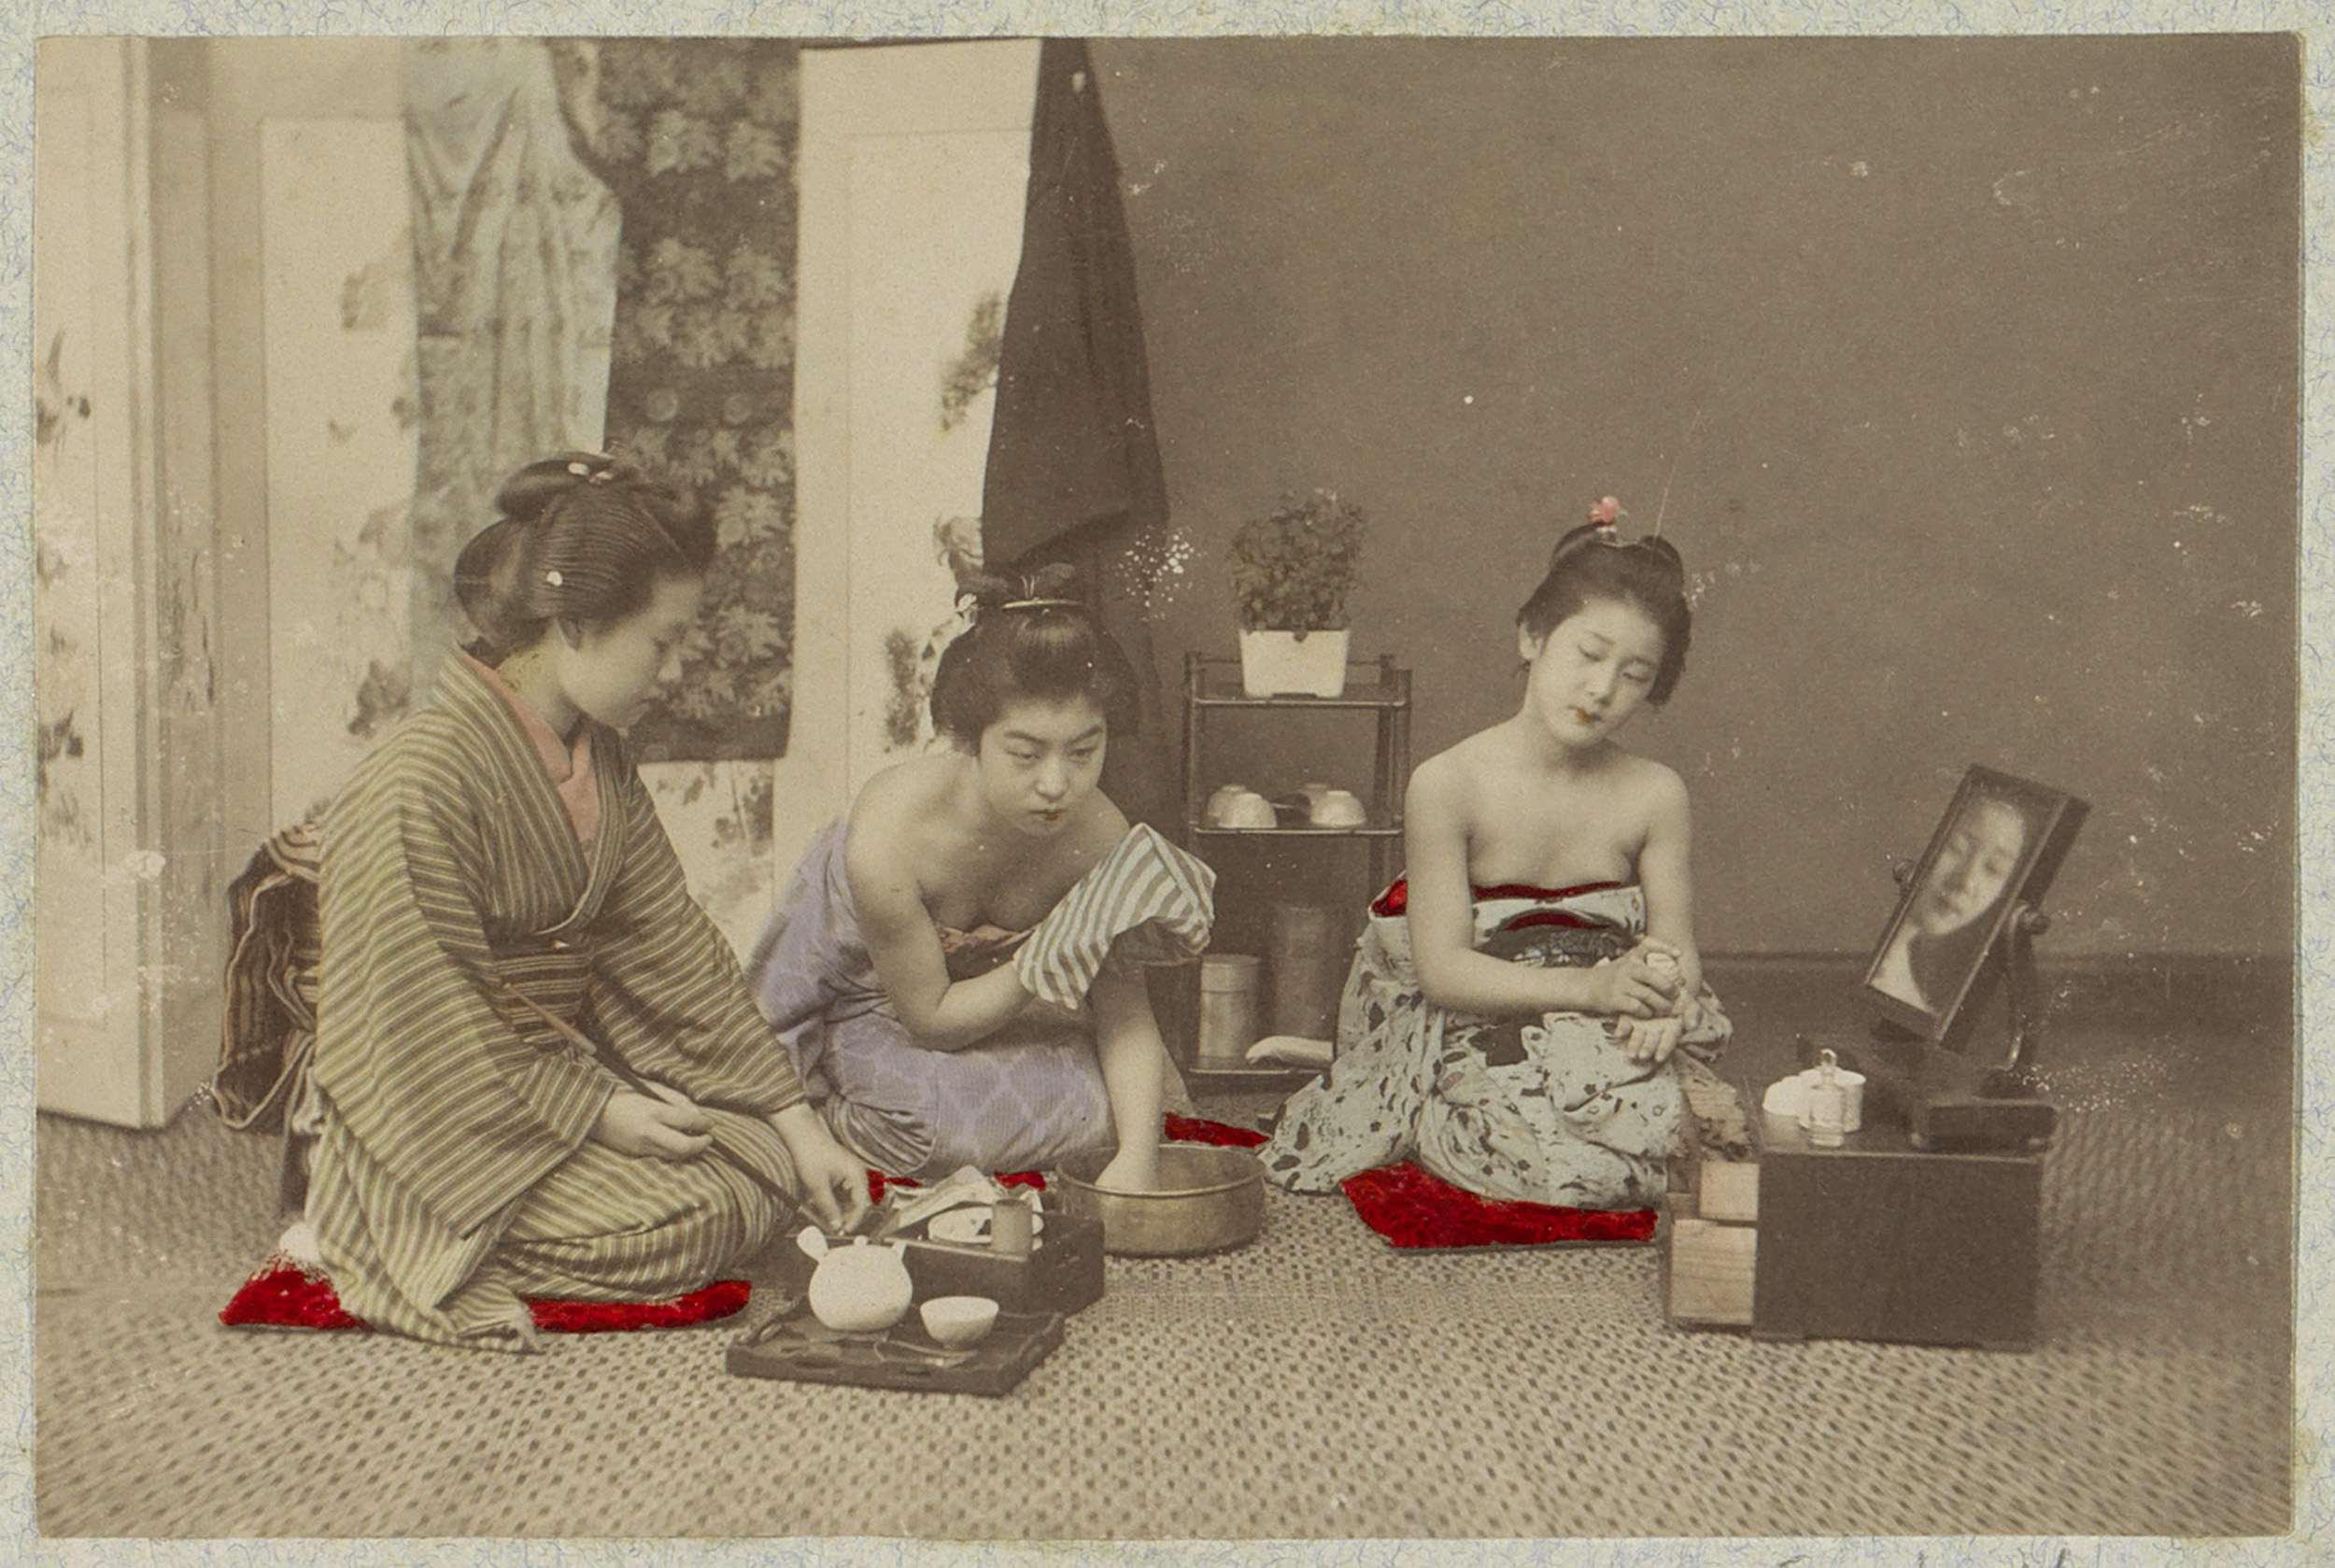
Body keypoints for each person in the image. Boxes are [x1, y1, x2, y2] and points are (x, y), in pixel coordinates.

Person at [302, 452, 869, 1352]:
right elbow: (417, 1016)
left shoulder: (599, 757)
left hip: (549, 1080)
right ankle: (381, 1225)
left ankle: (603, 1177)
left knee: (763, 1163)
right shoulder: (417, 781)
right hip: (435, 1110)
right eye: (662, 643)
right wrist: (602, 1113)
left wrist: (797, 1126)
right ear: (572, 623)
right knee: (694, 1214)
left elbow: (671, 951)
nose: (675, 671)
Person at [1259, 497, 1732, 1209]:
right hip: (1476, 1013)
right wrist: (1590, 988)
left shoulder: (1655, 794)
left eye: (1635, 674)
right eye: (1589, 654)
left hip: (1603, 1019)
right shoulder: (1449, 784)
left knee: (1700, 1142)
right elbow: (1445, 971)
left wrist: (1665, 1004)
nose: (1602, 689)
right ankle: (1436, 1111)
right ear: (1533, 635)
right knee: (1563, 1167)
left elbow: (1676, 947)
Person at [750, 566, 1207, 1193]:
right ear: (970, 739)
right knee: (924, 1126)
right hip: (873, 1001)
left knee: (1122, 1116)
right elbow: (930, 1019)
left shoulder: (1101, 836)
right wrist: (1049, 954)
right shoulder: (894, 831)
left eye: (1083, 752)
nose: (1056, 784)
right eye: (1025, 754)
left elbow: (1124, 1017)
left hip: (998, 1012)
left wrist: (1136, 1159)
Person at [1870, 792, 2031, 1015]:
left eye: (1994, 869)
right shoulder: (1880, 974)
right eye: (1956, 848)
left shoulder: (1903, 987)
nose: (1965, 882)